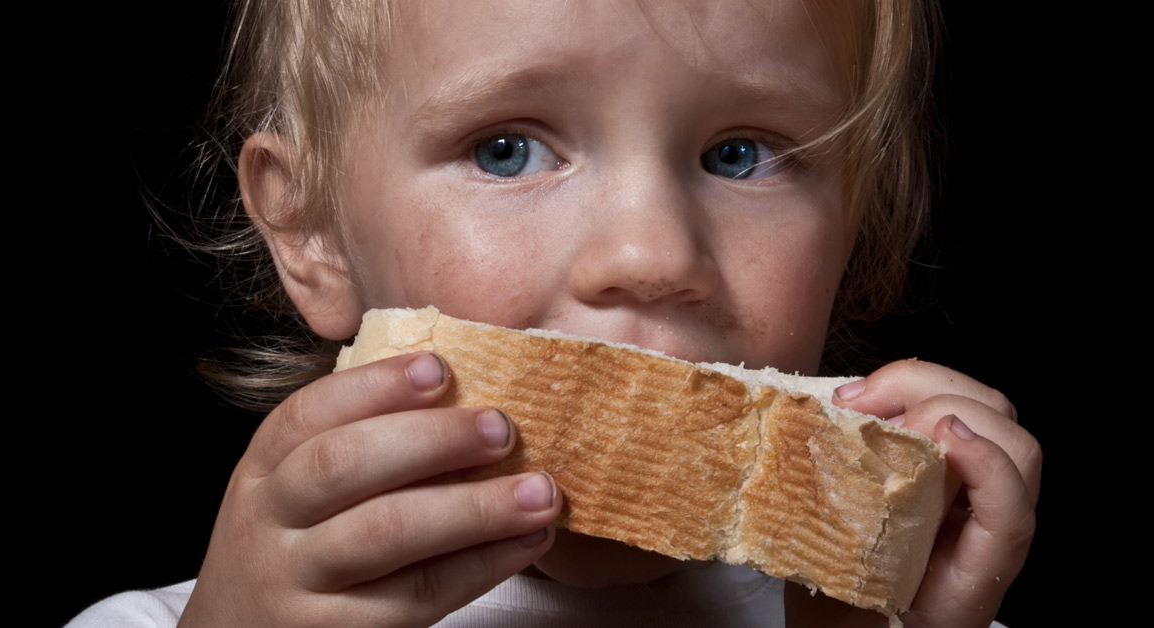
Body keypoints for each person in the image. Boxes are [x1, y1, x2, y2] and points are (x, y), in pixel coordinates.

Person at [78, 0, 1040, 626]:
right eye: (506, 149)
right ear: (311, 233)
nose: (651, 256)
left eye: (740, 154)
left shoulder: (925, 619)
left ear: (854, 228)